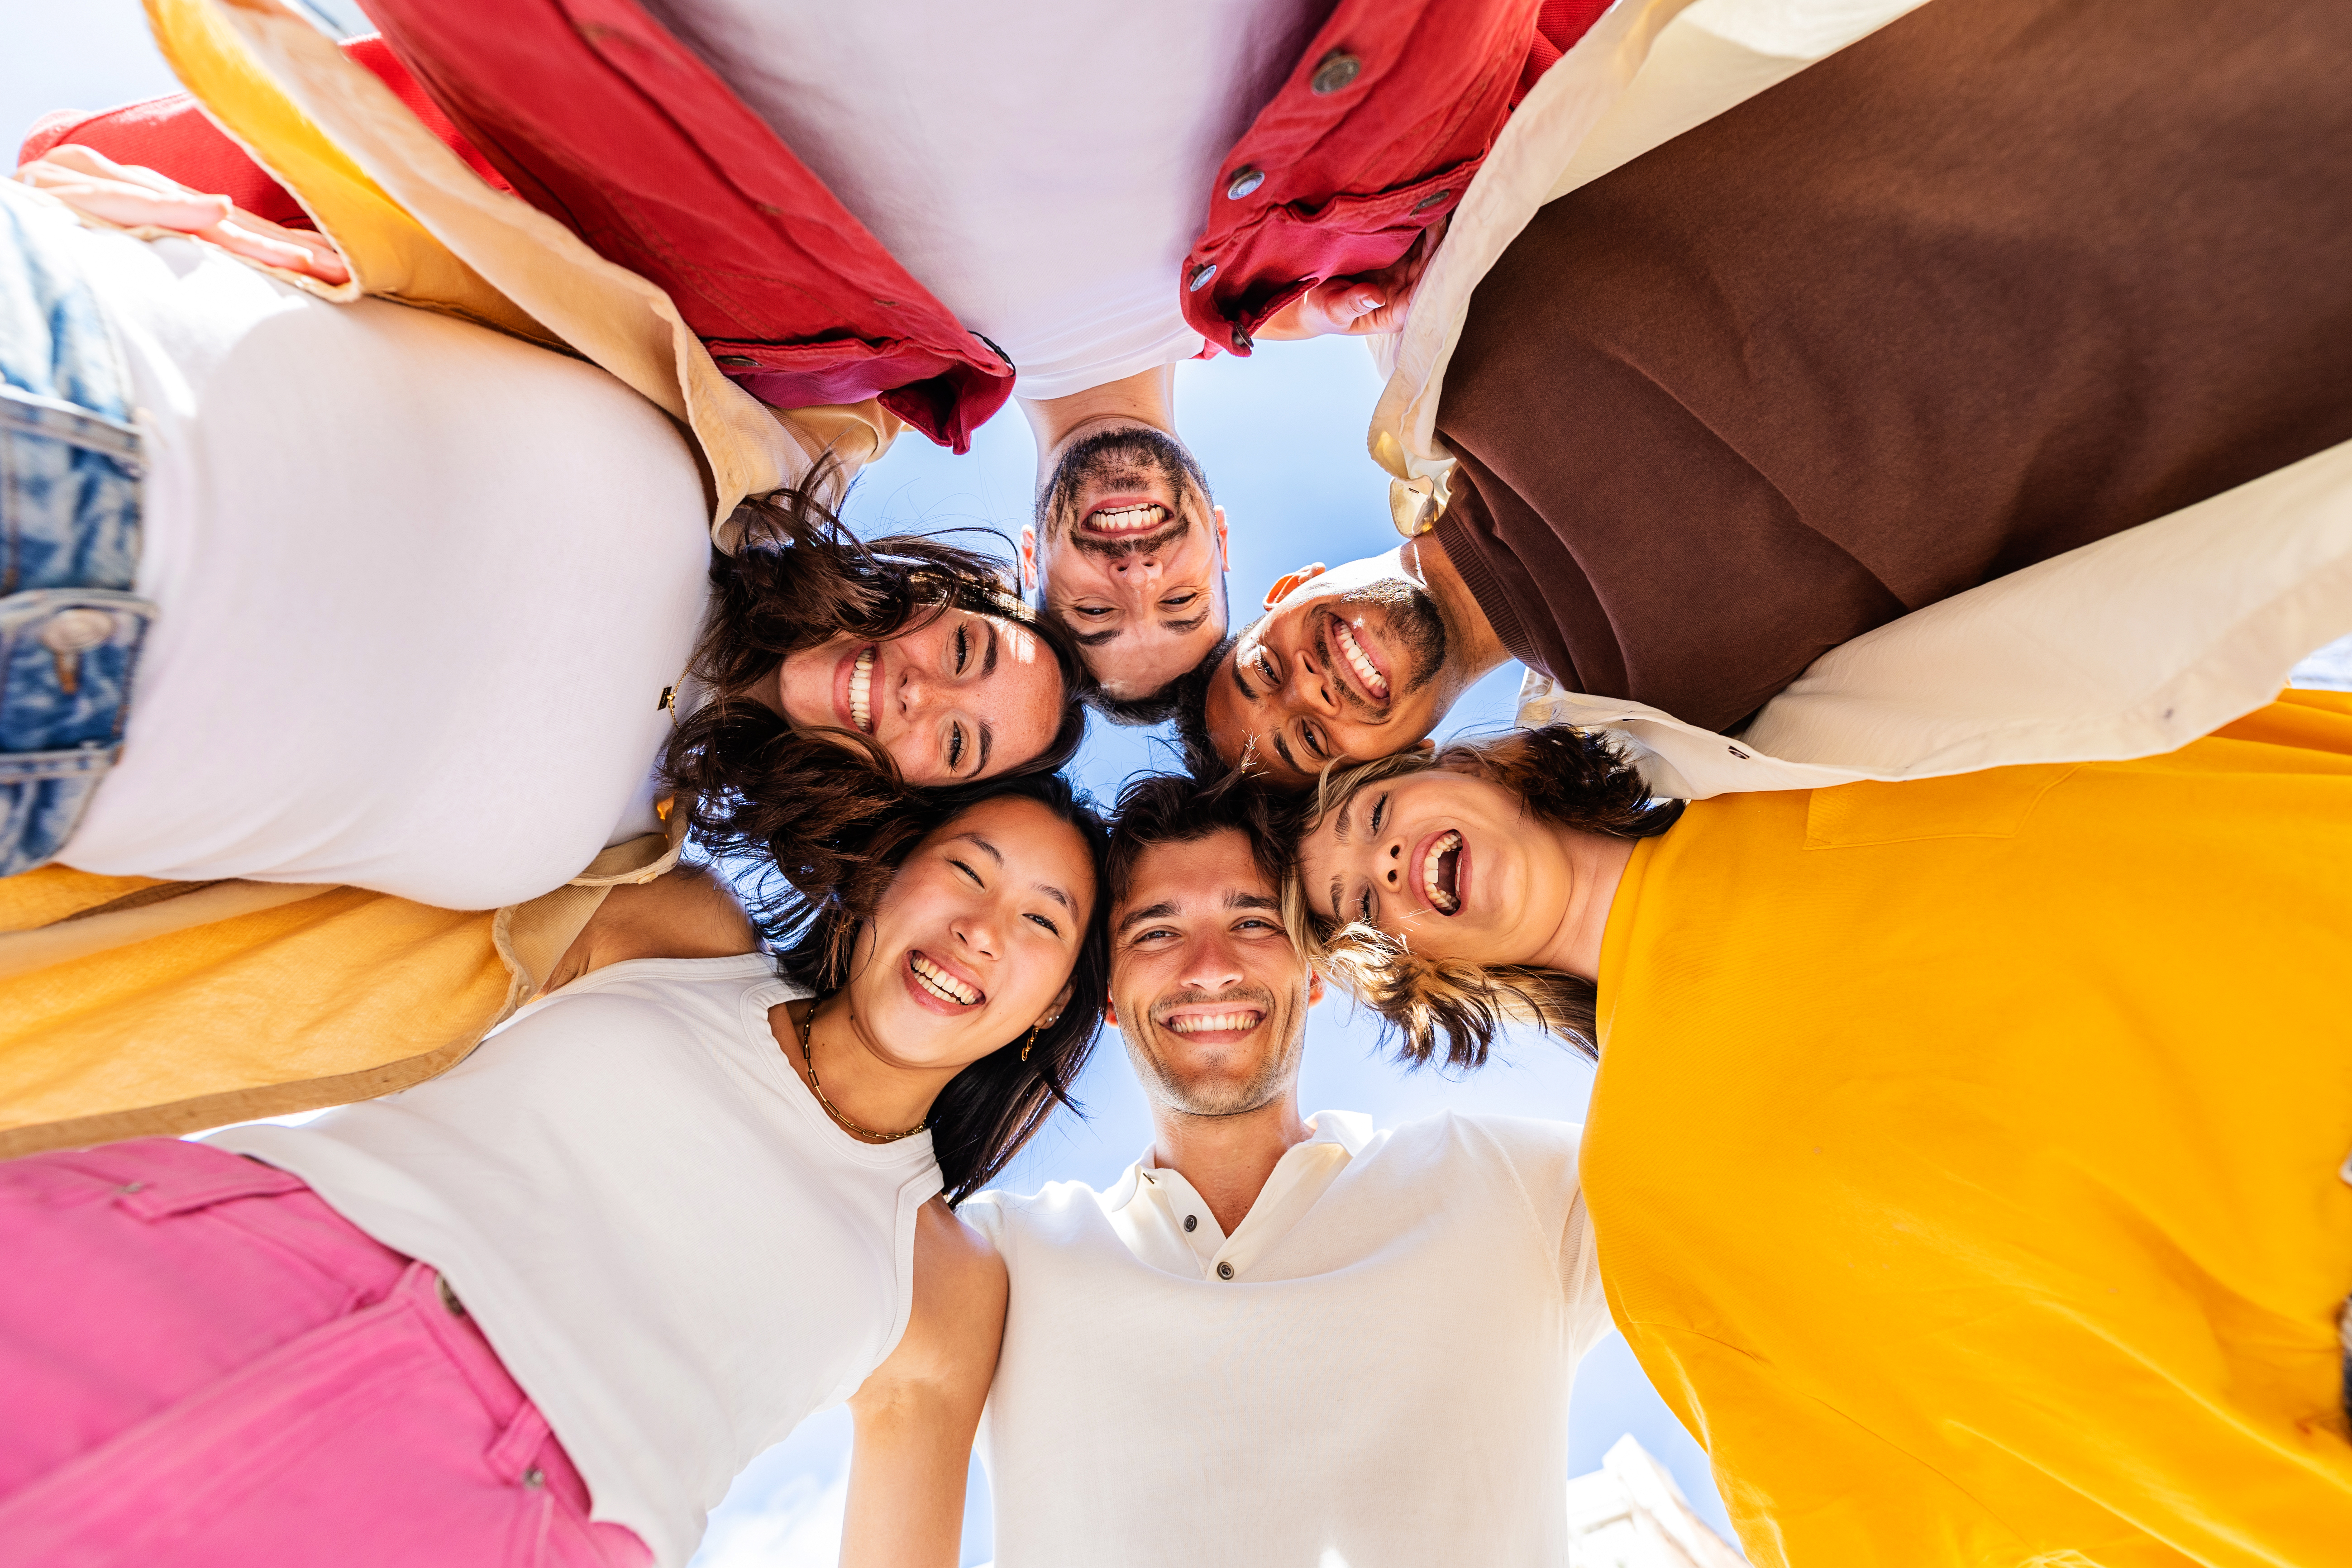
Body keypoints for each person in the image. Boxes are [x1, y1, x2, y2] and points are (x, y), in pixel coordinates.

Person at [29, 0, 1613, 708]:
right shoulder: (1385, 233)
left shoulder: (772, 357)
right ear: (1222, 539)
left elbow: (403, 198)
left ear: (1029, 568)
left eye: (1091, 614)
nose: (1132, 579)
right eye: (1178, 601)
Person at [1287, 696, 2352, 1565]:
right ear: (1419, 974)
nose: (1383, 868)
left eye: (1378, 811)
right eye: (1359, 907)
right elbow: (1858, 1500)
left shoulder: (1810, 745)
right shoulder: (1654, 1199)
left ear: (1470, 766)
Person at [1194, 0, 2352, 788]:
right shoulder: (1684, 726)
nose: (1312, 686)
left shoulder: (1441, 338)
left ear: (1289, 587)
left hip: (2087, 59)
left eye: (1264, 668)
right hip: (2239, 352)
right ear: (1388, 758)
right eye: (1310, 742)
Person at [0, 771, 1110, 1568]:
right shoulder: (684, 936)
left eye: (1038, 923)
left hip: (507, 1519)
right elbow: (341, 941)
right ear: (879, 881)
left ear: (1050, 1003)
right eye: (963, 870)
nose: (979, 928)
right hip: (226, 1262)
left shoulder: (946, 1280)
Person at [837, 771, 1646, 1567]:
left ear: (1317, 967)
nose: (1208, 966)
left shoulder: (1509, 1184)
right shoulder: (1002, 1258)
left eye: (1253, 922)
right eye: (1155, 932)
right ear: (1108, 994)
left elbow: (1746, 1114)